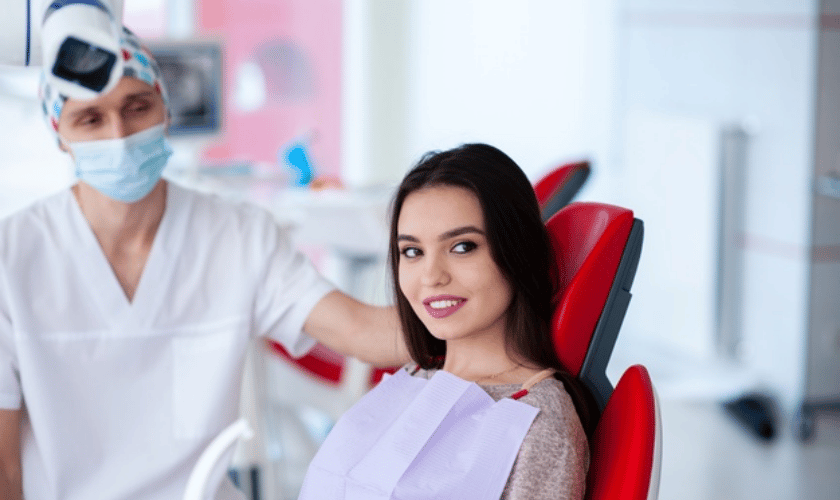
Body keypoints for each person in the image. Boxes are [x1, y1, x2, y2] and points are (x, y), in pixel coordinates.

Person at [0, 27, 405, 500]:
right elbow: (4, 468)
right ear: (59, 134)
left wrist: (492, 313)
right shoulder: (12, 257)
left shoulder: (238, 235)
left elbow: (360, 330)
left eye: (137, 108)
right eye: (90, 119)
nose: (119, 137)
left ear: (165, 108)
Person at [297, 143, 592, 500]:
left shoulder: (538, 424)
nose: (431, 276)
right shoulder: (415, 377)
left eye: (463, 247)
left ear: (519, 252)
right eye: (412, 252)